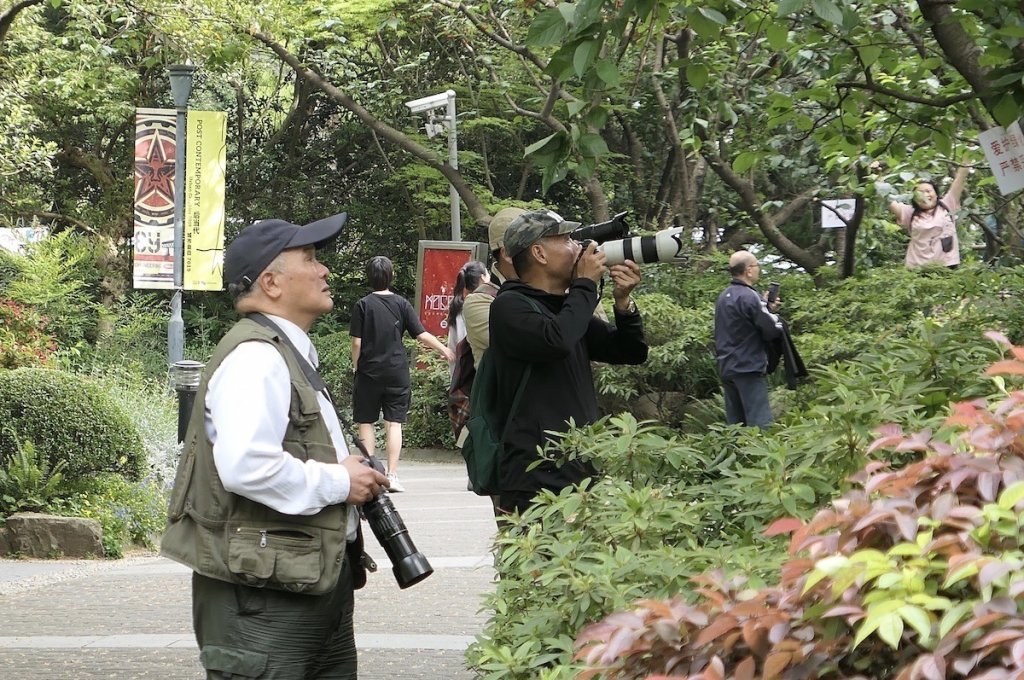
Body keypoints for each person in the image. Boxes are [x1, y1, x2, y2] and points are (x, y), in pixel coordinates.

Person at [161, 213, 389, 680]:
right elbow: (247, 467)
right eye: (309, 259)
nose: (324, 270)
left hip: (300, 581)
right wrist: (341, 479)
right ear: (270, 282)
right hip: (262, 601)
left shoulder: (287, 352)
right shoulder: (256, 358)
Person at [488, 209, 649, 516]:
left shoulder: (564, 308)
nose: (579, 247)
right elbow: (557, 340)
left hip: (580, 467)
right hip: (533, 477)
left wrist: (624, 303)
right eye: (566, 239)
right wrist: (585, 284)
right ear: (539, 253)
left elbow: (631, 351)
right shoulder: (509, 307)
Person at [350, 256, 454, 492]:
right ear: (391, 276)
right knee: (393, 423)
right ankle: (393, 475)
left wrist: (356, 365)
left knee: (366, 421)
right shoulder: (401, 304)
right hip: (397, 372)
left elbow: (357, 342)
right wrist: (444, 349)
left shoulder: (362, 305)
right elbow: (420, 334)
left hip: (369, 373)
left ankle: (370, 473)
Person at [713, 250, 783, 428]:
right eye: (757, 265)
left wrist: (766, 307)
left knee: (736, 425)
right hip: (749, 366)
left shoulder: (724, 297)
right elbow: (772, 329)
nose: (758, 269)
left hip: (727, 366)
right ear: (748, 270)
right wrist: (769, 312)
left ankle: (737, 455)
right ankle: (763, 456)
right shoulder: (750, 296)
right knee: (760, 424)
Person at [463, 208, 525, 369]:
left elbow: (594, 355)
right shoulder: (479, 302)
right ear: (508, 253)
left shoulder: (553, 287)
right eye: (536, 245)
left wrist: (580, 282)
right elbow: (537, 347)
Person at [887, 166, 969, 269]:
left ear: (936, 193)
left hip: (947, 265)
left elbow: (960, 178)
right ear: (914, 198)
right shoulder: (909, 212)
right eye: (920, 193)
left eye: (928, 191)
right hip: (917, 268)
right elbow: (885, 197)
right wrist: (877, 176)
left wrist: (968, 156)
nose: (925, 195)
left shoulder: (948, 204)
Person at [445, 260, 489, 365]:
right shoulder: (481, 306)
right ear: (482, 278)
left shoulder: (457, 306)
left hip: (462, 371)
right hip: (478, 369)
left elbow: (453, 346)